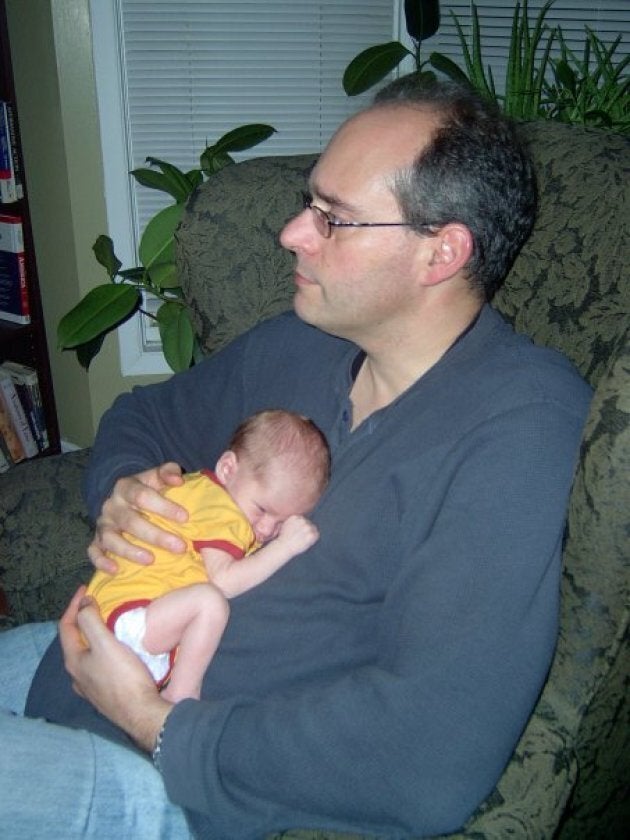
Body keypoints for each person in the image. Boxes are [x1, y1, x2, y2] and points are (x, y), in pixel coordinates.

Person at [1, 77, 592, 839]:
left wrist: (155, 722)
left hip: (163, 787)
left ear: (441, 252)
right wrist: (123, 491)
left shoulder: (520, 428)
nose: (290, 232)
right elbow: (143, 419)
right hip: (72, 655)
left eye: (333, 219)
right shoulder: (299, 344)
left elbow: (425, 758)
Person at [84, 409, 329, 702]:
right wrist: (285, 545)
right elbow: (223, 581)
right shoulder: (222, 509)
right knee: (210, 603)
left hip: (114, 614)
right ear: (228, 469)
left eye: (281, 523)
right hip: (131, 617)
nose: (265, 529)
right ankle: (181, 695)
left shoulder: (199, 489)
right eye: (263, 509)